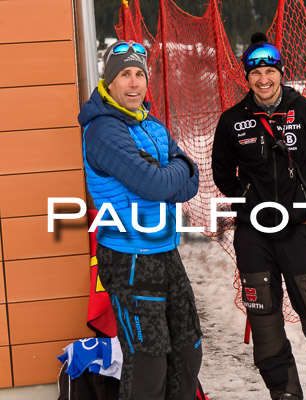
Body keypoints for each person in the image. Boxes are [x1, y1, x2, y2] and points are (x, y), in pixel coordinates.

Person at [211, 32, 306, 400]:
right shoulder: (232, 120)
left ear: (280, 72)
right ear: (247, 78)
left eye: (269, 70)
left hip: (300, 232)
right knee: (265, 323)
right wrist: (245, 201)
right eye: (255, 72)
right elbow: (221, 172)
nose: (263, 79)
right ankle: (285, 393)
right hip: (254, 235)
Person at [78, 40, 202, 400]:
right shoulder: (103, 129)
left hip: (166, 250)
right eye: (124, 75)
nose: (133, 83)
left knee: (188, 348)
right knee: (149, 361)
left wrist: (173, 170)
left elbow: (189, 183)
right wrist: (174, 169)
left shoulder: (152, 125)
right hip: (129, 256)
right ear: (110, 82)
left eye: (139, 75)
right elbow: (152, 184)